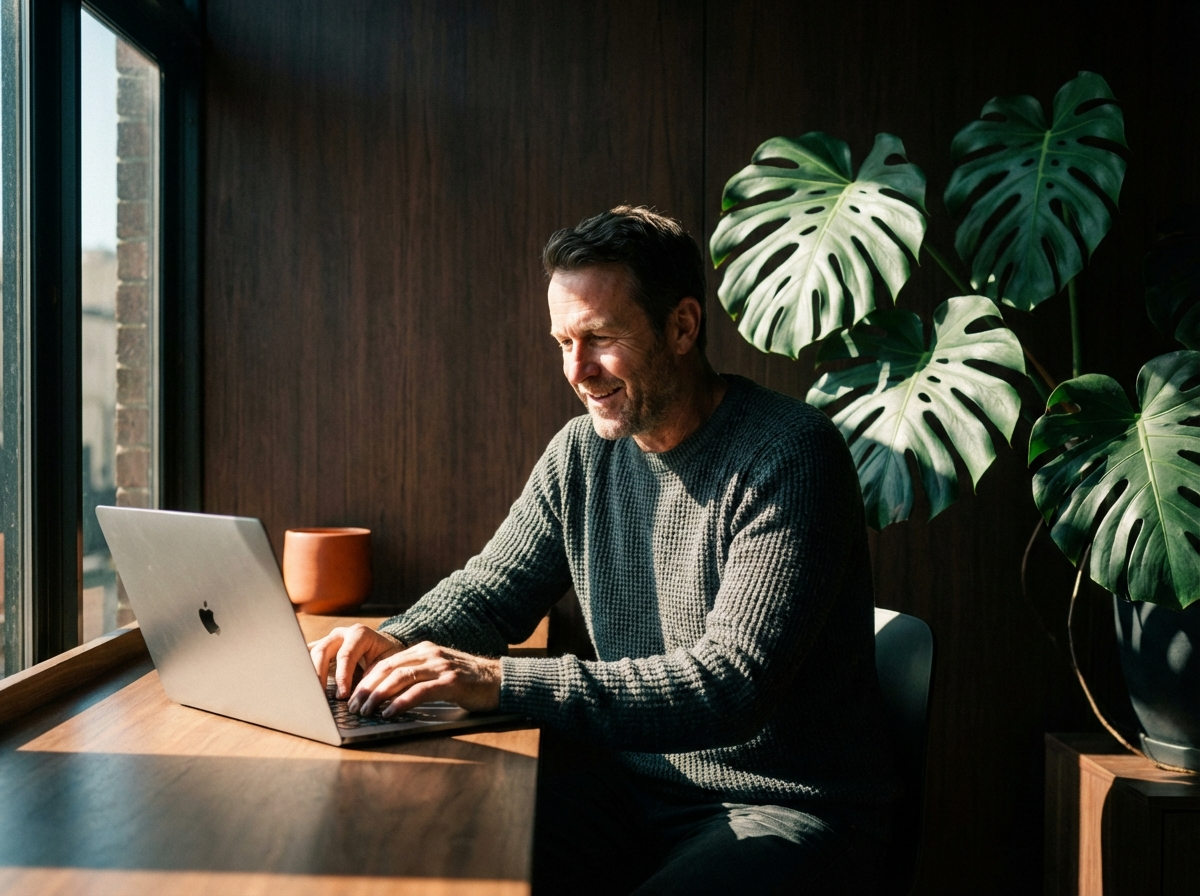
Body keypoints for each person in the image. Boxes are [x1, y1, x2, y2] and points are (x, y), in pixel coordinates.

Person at [308, 206, 897, 894]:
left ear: (682, 327)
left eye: (600, 338)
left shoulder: (790, 454)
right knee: (437, 846)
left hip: (788, 810)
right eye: (563, 341)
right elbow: (491, 593)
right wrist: (392, 641)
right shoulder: (581, 453)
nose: (577, 370)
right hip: (636, 795)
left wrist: (500, 681)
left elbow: (730, 684)